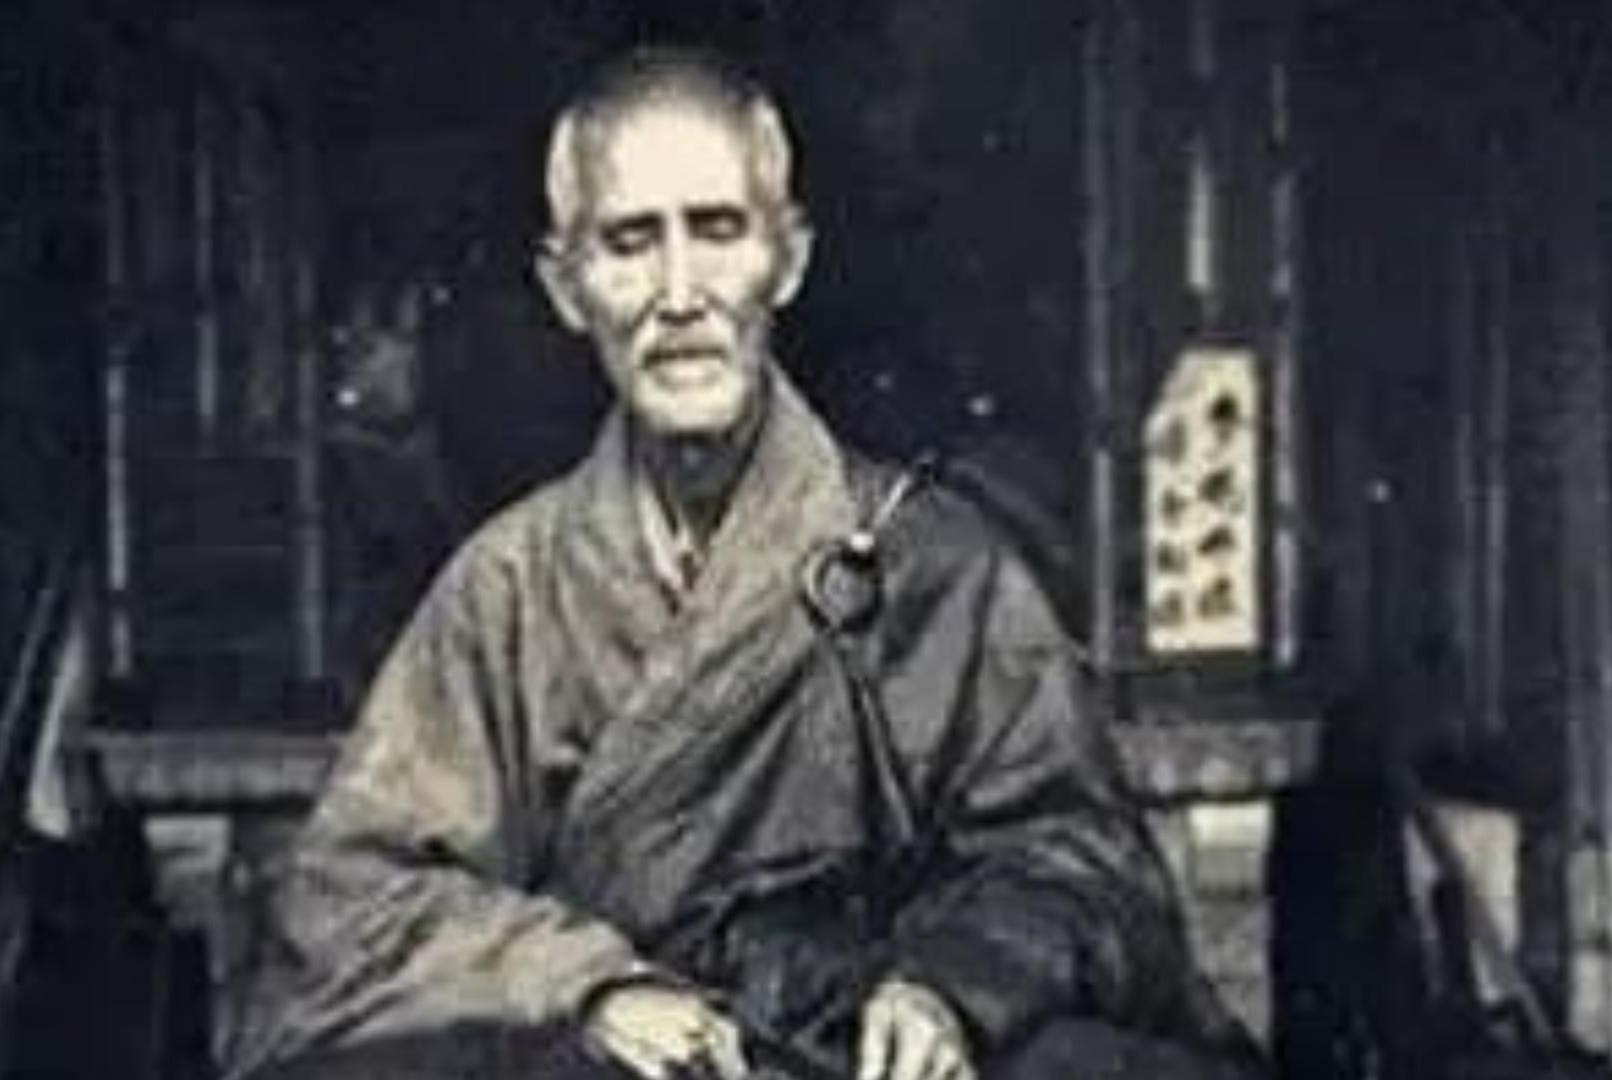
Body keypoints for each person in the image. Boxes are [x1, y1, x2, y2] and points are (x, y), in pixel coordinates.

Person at [231, 48, 1257, 1080]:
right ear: (565, 286)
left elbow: (1085, 864)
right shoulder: (504, 592)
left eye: (718, 230)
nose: (680, 293)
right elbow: (349, 901)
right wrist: (589, 987)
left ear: (788, 257)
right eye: (630, 242)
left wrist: (950, 989)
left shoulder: (938, 563)